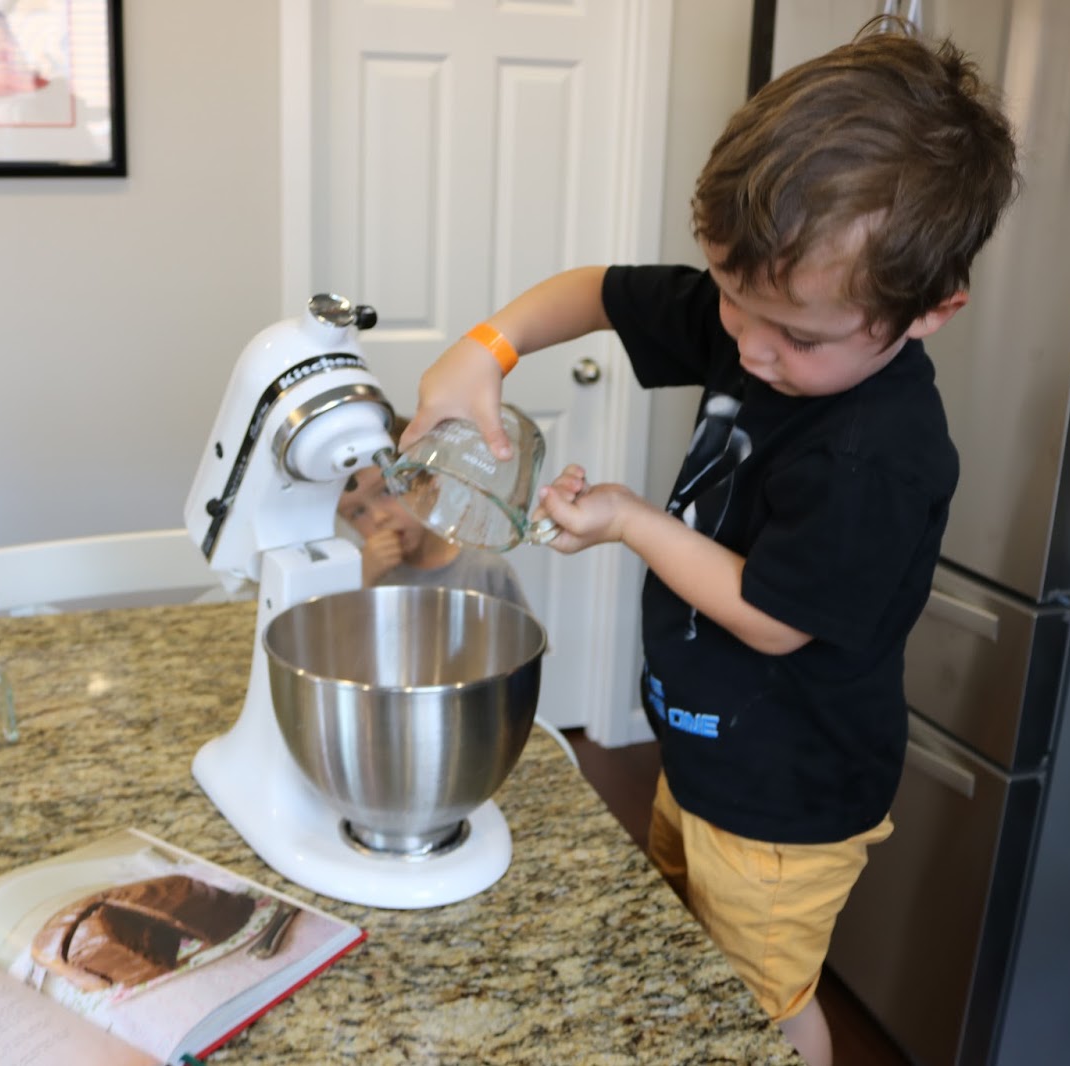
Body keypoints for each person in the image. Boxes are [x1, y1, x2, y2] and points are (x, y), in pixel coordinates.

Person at [400, 21, 1018, 1066]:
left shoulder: (877, 453)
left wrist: (630, 519)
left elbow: (775, 619)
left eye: (798, 337)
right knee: (688, 967)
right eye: (731, 299)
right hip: (707, 753)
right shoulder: (771, 308)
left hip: (788, 800)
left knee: (763, 1008)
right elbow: (596, 291)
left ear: (931, 311)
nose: (750, 348)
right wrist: (483, 350)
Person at [337, 416, 530, 609]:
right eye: (357, 512)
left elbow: (520, 629)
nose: (379, 518)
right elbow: (343, 628)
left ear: (429, 482)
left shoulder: (485, 572)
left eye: (387, 491)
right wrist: (363, 581)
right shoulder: (361, 575)